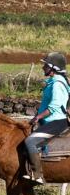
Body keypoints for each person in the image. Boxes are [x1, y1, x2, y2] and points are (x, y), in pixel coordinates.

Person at [22, 52, 70, 184]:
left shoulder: (57, 85)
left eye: (46, 66)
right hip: (50, 120)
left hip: (57, 122)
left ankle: (37, 174)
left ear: (53, 68)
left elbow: (54, 107)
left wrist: (38, 117)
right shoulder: (52, 82)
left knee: (30, 142)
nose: (43, 68)